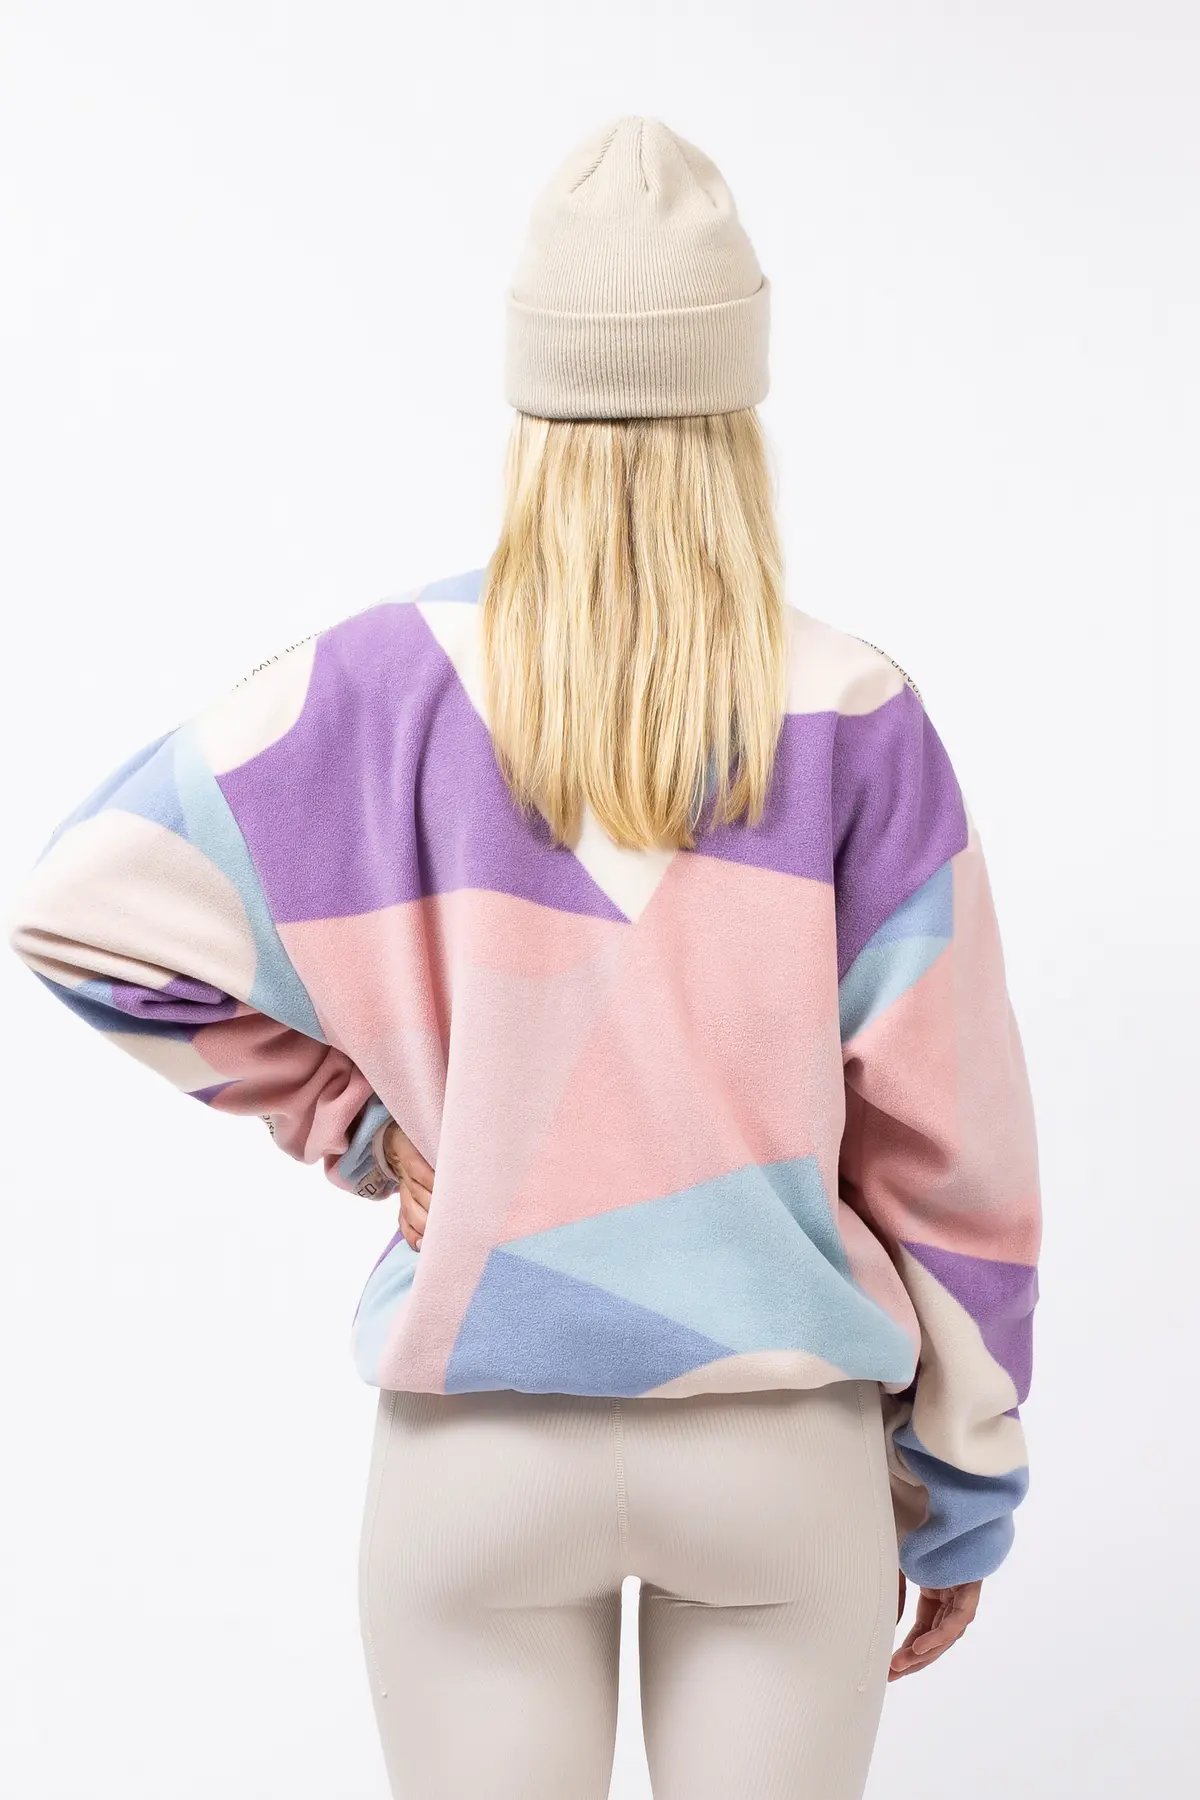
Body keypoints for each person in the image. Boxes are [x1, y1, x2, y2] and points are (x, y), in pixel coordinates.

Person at [9, 115, 1040, 1800]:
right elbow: (955, 1153)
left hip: (476, 1456)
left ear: (531, 403)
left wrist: (363, 1127)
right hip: (779, 1457)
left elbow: (82, 910)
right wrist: (964, 1483)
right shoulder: (854, 713)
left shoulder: (373, 689)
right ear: (739, 409)